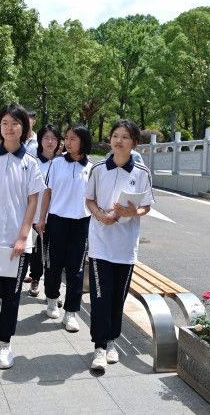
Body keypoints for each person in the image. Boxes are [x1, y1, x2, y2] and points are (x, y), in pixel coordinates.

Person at [0, 103, 45, 369]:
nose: (9, 127)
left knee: (12, 296)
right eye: (5, 123)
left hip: (18, 243)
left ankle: (5, 344)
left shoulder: (30, 163)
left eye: (15, 123)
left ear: (24, 128)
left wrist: (23, 236)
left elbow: (32, 201)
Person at [85, 119, 154, 371]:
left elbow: (147, 206)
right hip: (101, 243)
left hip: (125, 247)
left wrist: (133, 212)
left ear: (134, 143)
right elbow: (89, 200)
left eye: (125, 137)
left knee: (117, 298)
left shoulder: (142, 173)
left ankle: (112, 339)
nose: (119, 140)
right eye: (115, 135)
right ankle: (100, 347)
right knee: (100, 296)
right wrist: (100, 215)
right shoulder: (98, 169)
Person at [37, 124, 93, 332]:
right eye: (66, 138)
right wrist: (41, 219)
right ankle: (52, 299)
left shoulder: (91, 168)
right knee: (53, 265)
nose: (67, 142)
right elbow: (47, 193)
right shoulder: (57, 163)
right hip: (56, 221)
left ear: (83, 142)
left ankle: (71, 312)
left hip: (81, 224)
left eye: (72, 139)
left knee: (76, 270)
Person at [27, 124, 62, 297]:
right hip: (35, 213)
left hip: (55, 215)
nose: (50, 142)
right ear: (40, 140)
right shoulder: (32, 161)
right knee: (36, 250)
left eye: (54, 138)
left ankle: (51, 289)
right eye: (46, 138)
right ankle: (35, 278)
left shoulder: (62, 162)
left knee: (52, 253)